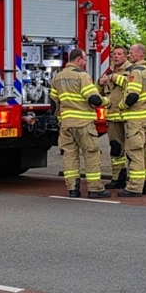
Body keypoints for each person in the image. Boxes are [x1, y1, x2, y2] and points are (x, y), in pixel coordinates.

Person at [51, 48, 110, 198]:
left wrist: (60, 118)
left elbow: (54, 102)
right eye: (84, 60)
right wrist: (107, 101)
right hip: (83, 123)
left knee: (69, 155)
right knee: (91, 154)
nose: (84, 63)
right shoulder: (82, 76)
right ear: (78, 60)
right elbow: (93, 99)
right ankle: (95, 189)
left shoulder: (57, 77)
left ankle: (73, 189)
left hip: (66, 124)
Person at [115, 43, 146, 197]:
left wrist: (121, 105)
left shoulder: (135, 72)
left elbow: (132, 96)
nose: (129, 55)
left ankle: (134, 187)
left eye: (132, 53)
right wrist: (144, 106)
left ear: (140, 54)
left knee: (135, 153)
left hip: (134, 120)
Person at [99, 46, 129, 189]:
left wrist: (114, 77)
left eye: (119, 54)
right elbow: (98, 92)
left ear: (126, 56)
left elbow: (132, 85)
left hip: (128, 117)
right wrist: (100, 83)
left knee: (133, 149)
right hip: (112, 116)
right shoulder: (109, 71)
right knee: (116, 148)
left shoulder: (132, 70)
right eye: (114, 54)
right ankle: (118, 177)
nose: (115, 56)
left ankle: (138, 181)